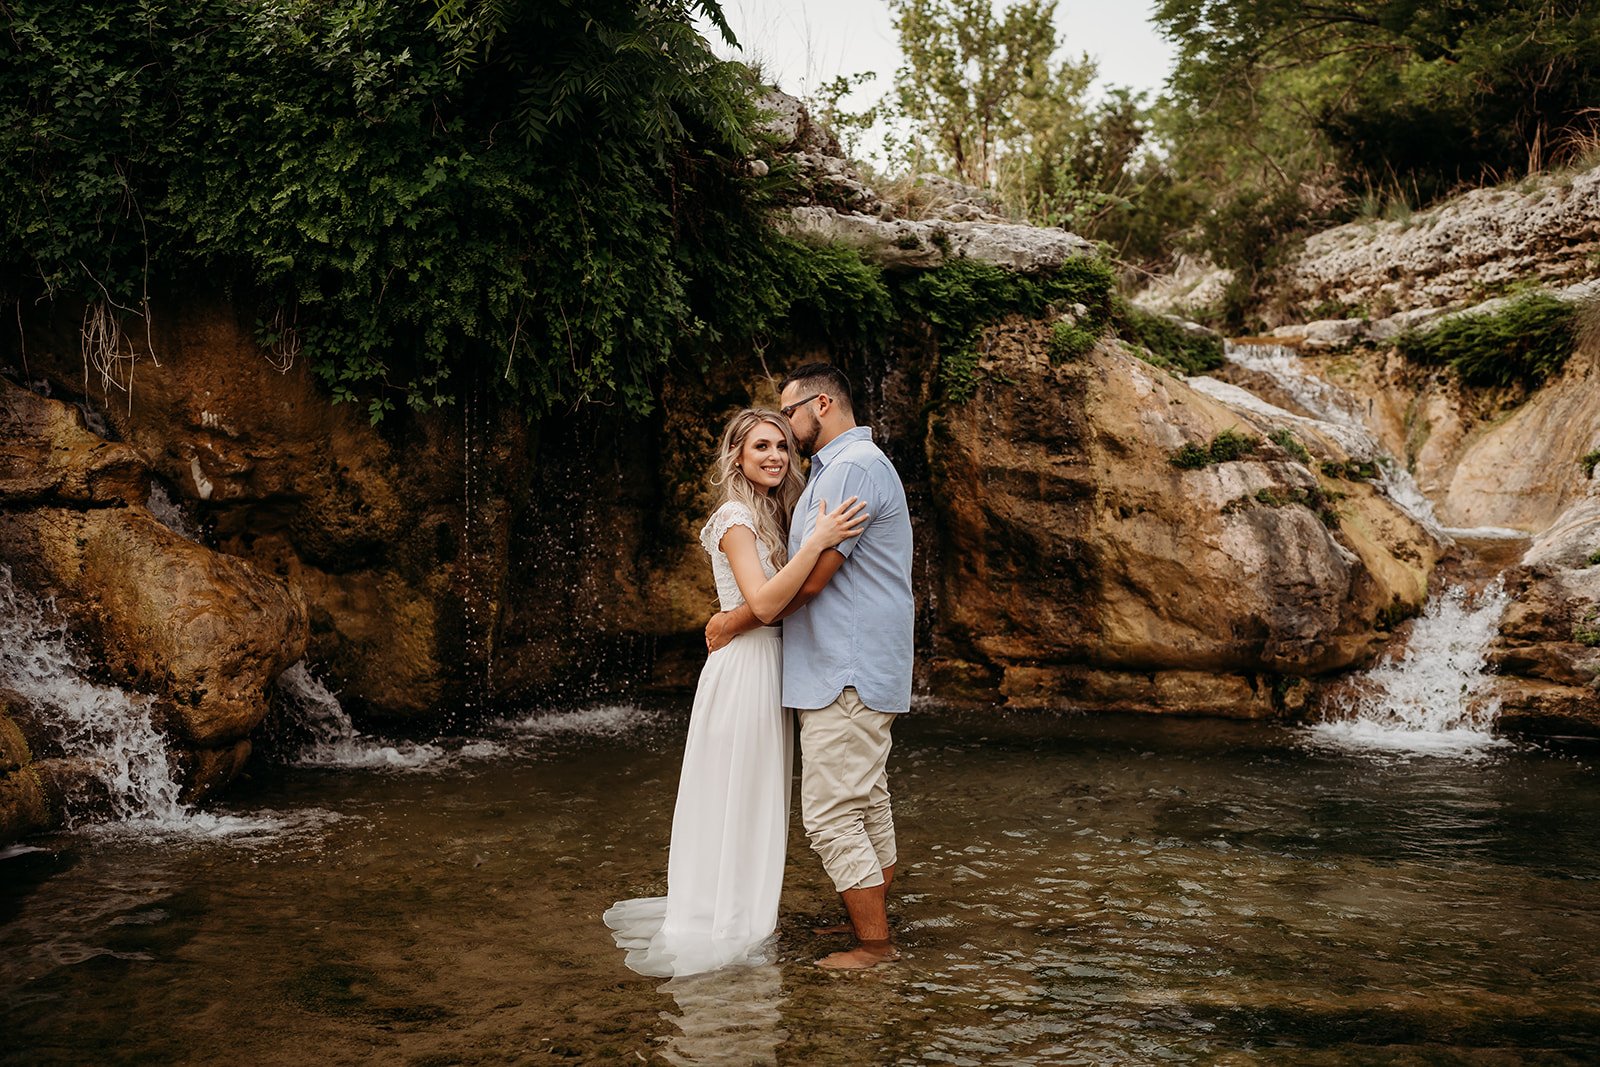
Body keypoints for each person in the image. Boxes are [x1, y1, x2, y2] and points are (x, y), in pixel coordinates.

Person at [604, 408, 867, 978]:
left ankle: (747, 906)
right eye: (761, 448)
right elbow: (766, 601)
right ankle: (724, 915)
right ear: (738, 459)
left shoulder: (777, 512)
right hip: (744, 669)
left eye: (781, 447)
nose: (775, 456)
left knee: (758, 791)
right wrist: (819, 539)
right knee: (733, 790)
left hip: (771, 663)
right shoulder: (734, 518)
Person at [706, 364, 914, 970]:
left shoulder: (848, 468)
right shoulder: (841, 468)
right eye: (764, 440)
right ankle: (868, 916)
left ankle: (873, 946)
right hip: (855, 663)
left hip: (842, 666)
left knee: (829, 815)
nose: (786, 433)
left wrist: (735, 620)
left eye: (789, 415)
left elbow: (817, 579)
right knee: (867, 800)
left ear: (820, 404)